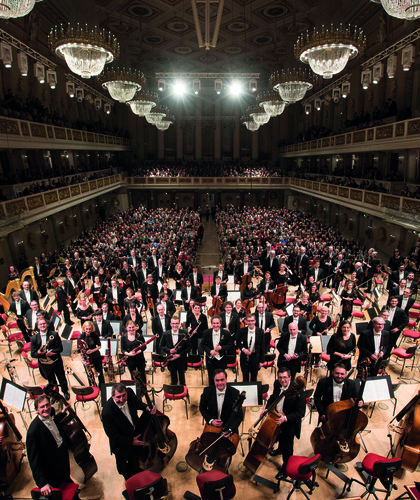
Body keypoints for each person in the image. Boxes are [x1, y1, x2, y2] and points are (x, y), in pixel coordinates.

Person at [102, 383, 155, 480]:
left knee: (134, 457)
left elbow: (137, 403)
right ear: (112, 396)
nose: (122, 400)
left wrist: (146, 407)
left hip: (134, 431)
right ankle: (127, 476)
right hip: (121, 441)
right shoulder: (107, 412)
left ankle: (136, 466)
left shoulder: (130, 393)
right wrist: (130, 441)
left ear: (126, 392)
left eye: (123, 395)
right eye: (118, 397)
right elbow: (113, 435)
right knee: (123, 465)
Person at [26, 396, 76, 497]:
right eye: (42, 407)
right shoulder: (33, 431)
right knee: (64, 490)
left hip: (62, 457)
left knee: (67, 480)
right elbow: (33, 460)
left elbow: (54, 421)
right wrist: (42, 483)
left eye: (47, 405)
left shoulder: (51, 412)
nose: (46, 408)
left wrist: (63, 412)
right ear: (36, 410)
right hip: (52, 468)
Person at [266, 368, 306, 478]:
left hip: (290, 421)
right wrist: (267, 409)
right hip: (277, 416)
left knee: (287, 445)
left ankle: (285, 468)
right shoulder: (276, 383)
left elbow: (301, 413)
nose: (282, 380)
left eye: (285, 377)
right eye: (280, 377)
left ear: (290, 377)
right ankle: (279, 450)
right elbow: (273, 398)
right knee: (278, 437)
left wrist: (286, 418)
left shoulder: (299, 391)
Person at [30, 317, 70, 400]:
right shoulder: (34, 338)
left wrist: (51, 352)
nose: (42, 325)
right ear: (38, 326)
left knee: (61, 377)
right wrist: (40, 354)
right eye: (40, 324)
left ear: (47, 324)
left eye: (44, 324)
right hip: (44, 364)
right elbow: (32, 354)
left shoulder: (54, 334)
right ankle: (55, 395)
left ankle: (65, 391)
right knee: (51, 381)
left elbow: (60, 349)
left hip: (56, 362)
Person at [199, 369, 243, 434]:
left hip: (228, 428)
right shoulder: (207, 391)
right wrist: (211, 421)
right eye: (217, 380)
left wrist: (230, 430)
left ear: (226, 379)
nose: (220, 383)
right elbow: (202, 408)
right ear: (214, 381)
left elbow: (239, 415)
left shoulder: (235, 393)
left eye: (222, 380)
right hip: (213, 427)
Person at [201, 316, 233, 384]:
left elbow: (230, 345)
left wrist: (221, 348)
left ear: (220, 324)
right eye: (214, 323)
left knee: (221, 378)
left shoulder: (226, 333)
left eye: (217, 323)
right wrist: (210, 351)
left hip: (221, 359)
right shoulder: (206, 332)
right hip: (210, 360)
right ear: (211, 324)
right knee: (211, 378)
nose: (216, 325)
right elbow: (202, 345)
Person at [159, 315, 190, 385]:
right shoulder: (166, 334)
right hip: (171, 360)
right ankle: (174, 393)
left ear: (179, 324)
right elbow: (161, 346)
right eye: (173, 323)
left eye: (176, 323)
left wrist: (179, 355)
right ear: (170, 324)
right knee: (173, 380)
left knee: (182, 379)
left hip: (181, 359)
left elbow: (188, 347)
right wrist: (169, 350)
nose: (175, 325)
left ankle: (183, 392)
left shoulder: (184, 333)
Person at [238, 313, 265, 382]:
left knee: (254, 377)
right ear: (246, 321)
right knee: (245, 377)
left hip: (255, 357)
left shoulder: (260, 331)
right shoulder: (242, 331)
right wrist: (243, 349)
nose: (250, 323)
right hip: (244, 357)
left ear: (255, 321)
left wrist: (262, 361)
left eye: (252, 320)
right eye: (249, 321)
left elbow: (263, 347)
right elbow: (237, 343)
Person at [78, 320, 105, 386]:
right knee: (90, 375)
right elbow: (78, 351)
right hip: (86, 359)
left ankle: (102, 387)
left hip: (96, 357)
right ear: (83, 328)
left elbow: (99, 346)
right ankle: (93, 387)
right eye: (86, 329)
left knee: (100, 373)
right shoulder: (80, 337)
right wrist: (83, 361)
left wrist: (92, 350)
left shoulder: (94, 335)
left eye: (90, 329)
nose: (88, 330)